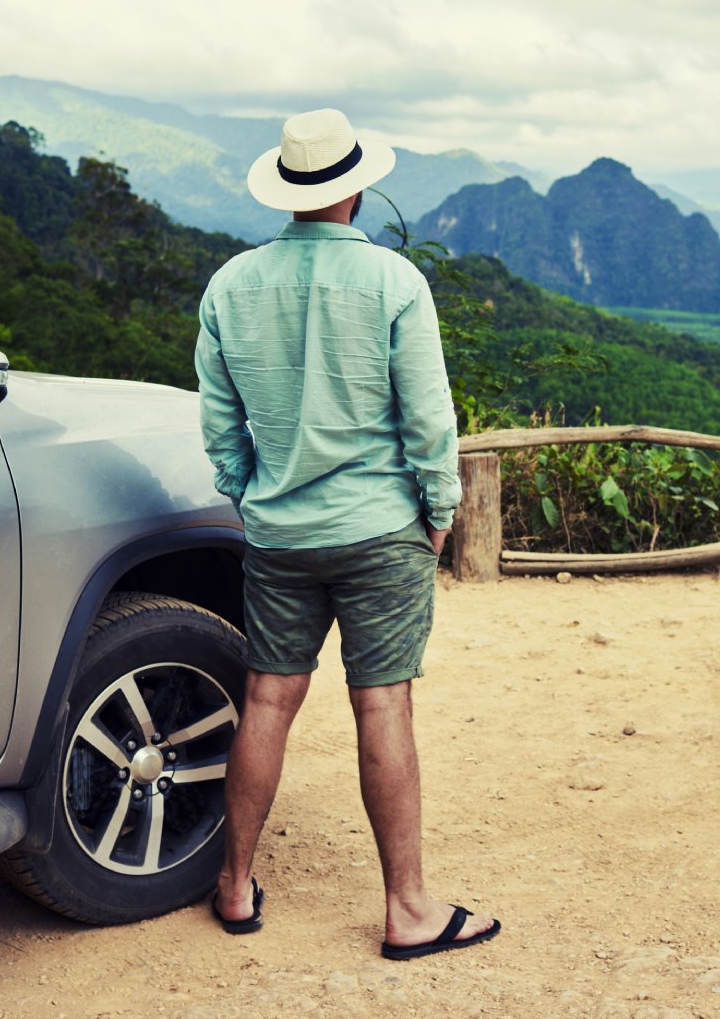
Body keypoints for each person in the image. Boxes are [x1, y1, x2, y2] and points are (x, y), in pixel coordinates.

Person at [193, 108, 500, 960]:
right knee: (383, 702)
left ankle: (231, 887)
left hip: (281, 534)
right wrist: (439, 513)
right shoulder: (396, 284)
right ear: (356, 188)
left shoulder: (230, 286)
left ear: (288, 191)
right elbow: (428, 420)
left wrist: (253, 494)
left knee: (267, 700)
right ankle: (407, 910)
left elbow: (221, 427)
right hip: (378, 530)